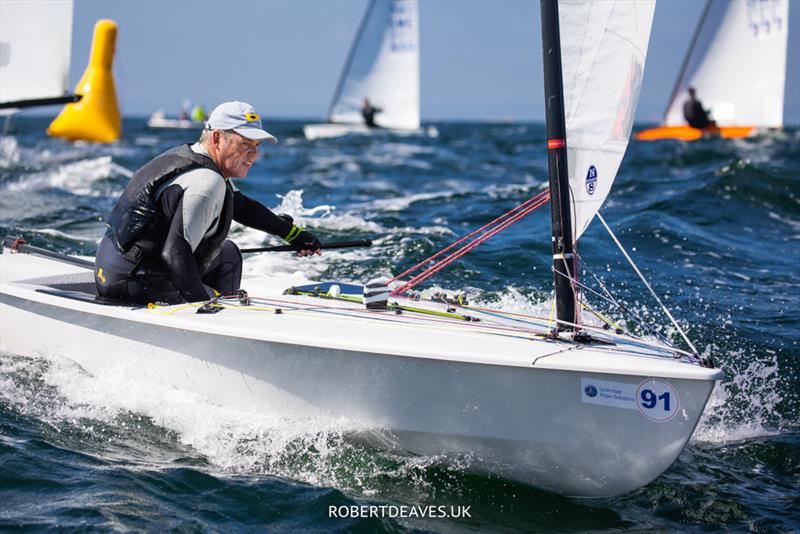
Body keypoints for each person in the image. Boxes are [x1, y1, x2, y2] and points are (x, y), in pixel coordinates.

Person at [94, 101, 322, 305]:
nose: (253, 155)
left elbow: (240, 205)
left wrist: (293, 234)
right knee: (216, 278)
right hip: (132, 282)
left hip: (111, 266)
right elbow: (174, 254)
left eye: (257, 146)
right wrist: (206, 308)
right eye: (245, 144)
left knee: (228, 253)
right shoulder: (207, 181)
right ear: (217, 138)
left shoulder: (190, 157)